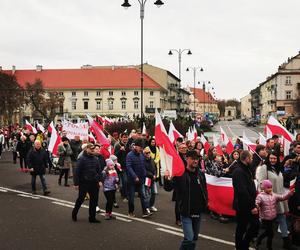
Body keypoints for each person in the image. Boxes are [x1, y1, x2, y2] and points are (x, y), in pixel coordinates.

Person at [164, 150, 208, 250]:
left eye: (197, 159)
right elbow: (168, 188)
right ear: (186, 159)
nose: (195, 161)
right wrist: (167, 179)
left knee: (194, 238)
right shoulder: (181, 174)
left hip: (198, 211)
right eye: (193, 158)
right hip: (186, 211)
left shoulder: (200, 174)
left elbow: (204, 190)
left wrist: (205, 202)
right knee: (189, 238)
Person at [256, 152, 295, 249]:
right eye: (271, 158)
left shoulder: (278, 168)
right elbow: (261, 184)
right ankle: (258, 238)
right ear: (268, 158)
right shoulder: (264, 168)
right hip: (269, 200)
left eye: (275, 158)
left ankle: (286, 243)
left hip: (279, 198)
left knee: (282, 219)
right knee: (269, 225)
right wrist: (263, 197)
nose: (273, 160)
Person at [256, 180, 294, 250]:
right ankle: (269, 247)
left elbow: (282, 197)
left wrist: (289, 194)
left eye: (271, 187)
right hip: (265, 219)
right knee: (270, 234)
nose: (270, 189)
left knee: (267, 233)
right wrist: (257, 206)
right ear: (264, 188)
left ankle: (259, 239)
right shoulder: (260, 196)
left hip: (272, 218)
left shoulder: (274, 195)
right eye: (268, 187)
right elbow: (257, 203)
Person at [232, 150, 259, 250]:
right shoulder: (238, 171)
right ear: (246, 158)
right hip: (243, 205)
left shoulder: (246, 169)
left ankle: (244, 245)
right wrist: (252, 206)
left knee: (254, 225)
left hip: (249, 203)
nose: (252, 160)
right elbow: (242, 191)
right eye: (251, 158)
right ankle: (240, 247)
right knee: (242, 228)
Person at [72, 143, 102, 223]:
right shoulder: (81, 159)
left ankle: (92, 218)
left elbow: (99, 171)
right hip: (84, 182)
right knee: (80, 199)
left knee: (94, 200)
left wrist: (100, 180)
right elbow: (77, 172)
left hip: (94, 182)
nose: (92, 150)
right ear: (86, 149)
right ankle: (74, 213)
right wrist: (76, 183)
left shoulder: (96, 159)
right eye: (91, 149)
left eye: (93, 149)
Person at [126, 138, 152, 218]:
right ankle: (130, 212)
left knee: (143, 196)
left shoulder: (141, 155)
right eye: (140, 147)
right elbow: (129, 167)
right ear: (135, 147)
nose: (141, 149)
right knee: (131, 197)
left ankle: (145, 212)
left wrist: (145, 175)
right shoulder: (129, 155)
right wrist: (135, 176)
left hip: (141, 179)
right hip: (132, 180)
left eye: (142, 148)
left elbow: (143, 167)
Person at [114, 132, 130, 202]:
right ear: (121, 138)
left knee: (127, 181)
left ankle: (124, 193)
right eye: (124, 137)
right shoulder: (118, 145)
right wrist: (120, 150)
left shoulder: (129, 145)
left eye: (126, 137)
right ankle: (125, 196)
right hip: (121, 166)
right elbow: (115, 156)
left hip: (128, 166)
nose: (125, 138)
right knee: (124, 180)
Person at [143, 147, 158, 212]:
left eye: (149, 152)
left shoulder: (152, 160)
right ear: (144, 154)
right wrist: (152, 175)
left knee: (153, 192)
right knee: (147, 194)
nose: (148, 154)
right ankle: (147, 207)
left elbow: (155, 168)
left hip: (152, 179)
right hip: (147, 179)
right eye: (146, 153)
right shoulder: (142, 161)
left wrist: (155, 174)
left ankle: (151, 205)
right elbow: (144, 170)